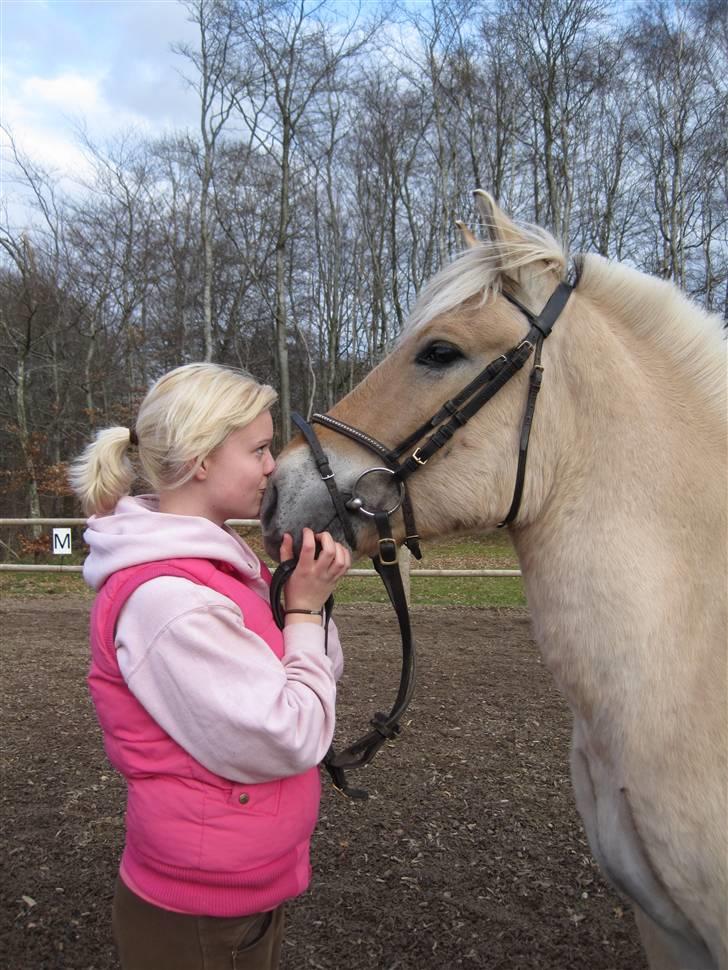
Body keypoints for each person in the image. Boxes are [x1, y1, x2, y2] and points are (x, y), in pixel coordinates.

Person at [69, 362, 351, 970]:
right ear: (201, 461)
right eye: (258, 449)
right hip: (202, 911)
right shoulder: (173, 601)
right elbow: (294, 731)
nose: (274, 465)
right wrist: (302, 610)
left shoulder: (215, 574)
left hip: (234, 884)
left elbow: (320, 674)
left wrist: (296, 597)